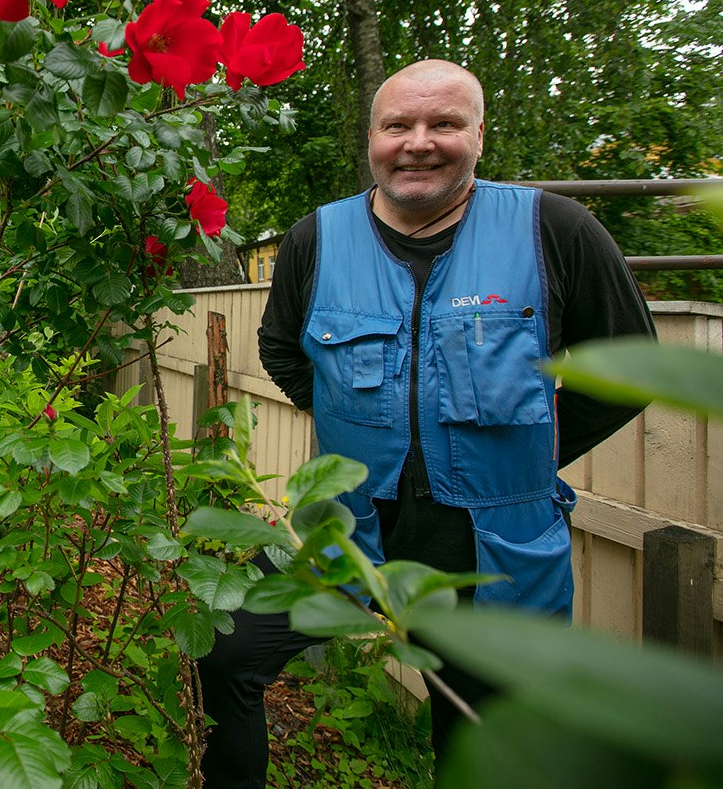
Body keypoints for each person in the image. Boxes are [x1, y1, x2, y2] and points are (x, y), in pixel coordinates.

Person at [198, 59, 655, 786]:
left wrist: (527, 464)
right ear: (371, 138)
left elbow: (630, 372)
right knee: (221, 651)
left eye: (443, 123)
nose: (419, 142)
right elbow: (285, 350)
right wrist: (357, 426)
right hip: (344, 533)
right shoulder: (317, 237)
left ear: (478, 133)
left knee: (482, 745)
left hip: (495, 553)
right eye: (397, 125)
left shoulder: (554, 228)